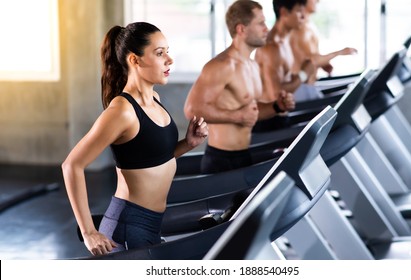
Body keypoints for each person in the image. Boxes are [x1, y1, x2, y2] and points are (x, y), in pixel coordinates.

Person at [61, 22, 208, 256]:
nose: (169, 60)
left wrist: (187, 144)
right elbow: (72, 165)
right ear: (134, 60)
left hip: (152, 222)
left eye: (167, 51)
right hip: (128, 227)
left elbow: (151, 158)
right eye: (160, 53)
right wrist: (88, 231)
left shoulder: (155, 98)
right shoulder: (122, 111)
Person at [183, 0, 295, 174]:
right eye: (260, 23)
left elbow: (251, 112)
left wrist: (276, 106)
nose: (267, 28)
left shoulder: (252, 65)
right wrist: (237, 116)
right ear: (241, 29)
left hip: (243, 155)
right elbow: (192, 110)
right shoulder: (222, 65)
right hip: (220, 160)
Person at [254, 0, 317, 103]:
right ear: (284, 12)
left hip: (286, 113)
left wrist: (302, 73)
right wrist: (303, 74)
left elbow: (284, 80)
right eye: (299, 11)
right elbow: (275, 95)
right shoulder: (271, 47)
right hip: (273, 118)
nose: (303, 17)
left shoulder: (285, 40)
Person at [290, 0, 357, 77]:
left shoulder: (308, 26)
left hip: (310, 84)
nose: (318, 1)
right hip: (301, 86)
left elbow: (310, 58)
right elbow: (311, 61)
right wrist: (340, 52)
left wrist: (323, 64)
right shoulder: (300, 28)